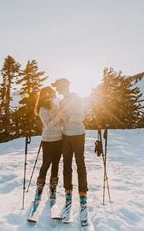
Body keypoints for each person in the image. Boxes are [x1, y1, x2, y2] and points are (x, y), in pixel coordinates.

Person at [51, 78, 88, 222]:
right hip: (66, 136)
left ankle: (83, 194)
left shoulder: (76, 98)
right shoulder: (60, 102)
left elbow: (81, 116)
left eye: (57, 87)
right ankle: (68, 192)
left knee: (80, 163)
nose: (56, 90)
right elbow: (61, 119)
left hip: (78, 134)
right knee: (66, 165)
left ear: (64, 86)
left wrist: (67, 117)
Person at [33, 86, 63, 202]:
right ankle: (39, 189)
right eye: (50, 94)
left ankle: (53, 188)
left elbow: (58, 120)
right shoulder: (42, 108)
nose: (52, 96)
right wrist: (59, 116)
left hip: (59, 139)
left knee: (55, 164)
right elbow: (48, 124)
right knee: (46, 164)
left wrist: (62, 117)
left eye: (53, 94)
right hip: (48, 140)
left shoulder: (54, 104)